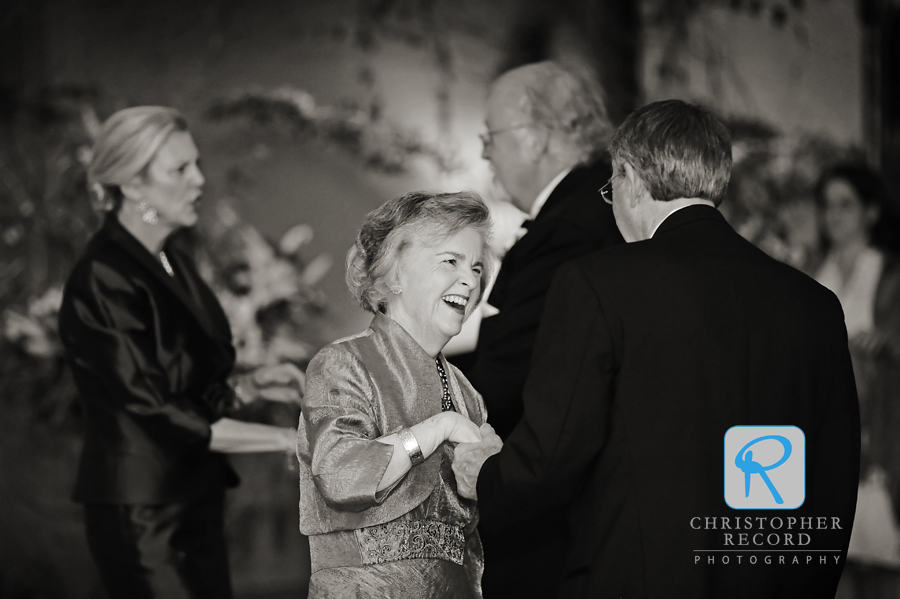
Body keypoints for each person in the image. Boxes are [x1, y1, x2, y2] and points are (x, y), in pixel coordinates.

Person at [453, 99, 861, 598]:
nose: (613, 203)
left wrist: (488, 477)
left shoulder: (598, 283)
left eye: (611, 188)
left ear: (631, 176)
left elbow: (555, 452)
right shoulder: (814, 304)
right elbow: (833, 478)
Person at [58, 106, 304, 599]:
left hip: (194, 498)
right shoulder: (104, 276)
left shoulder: (171, 259)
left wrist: (248, 386)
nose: (199, 180)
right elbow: (152, 410)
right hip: (144, 513)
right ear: (131, 185)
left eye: (196, 165)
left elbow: (184, 391)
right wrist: (285, 440)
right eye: (180, 169)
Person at [452, 60, 623, 599]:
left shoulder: (569, 228)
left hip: (552, 512)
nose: (483, 151)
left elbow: (518, 371)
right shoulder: (591, 204)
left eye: (490, 136)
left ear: (537, 138)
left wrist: (402, 397)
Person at [296, 190, 494, 599]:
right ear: (393, 275)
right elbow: (339, 474)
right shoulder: (342, 363)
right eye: (450, 261)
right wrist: (438, 428)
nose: (471, 280)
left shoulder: (467, 393)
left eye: (477, 267)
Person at [812, 165, 900, 598]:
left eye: (846, 204)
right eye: (827, 205)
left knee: (882, 563)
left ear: (871, 211)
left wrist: (889, 342)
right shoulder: (812, 269)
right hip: (825, 431)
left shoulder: (890, 275)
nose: (834, 215)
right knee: (830, 561)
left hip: (881, 432)